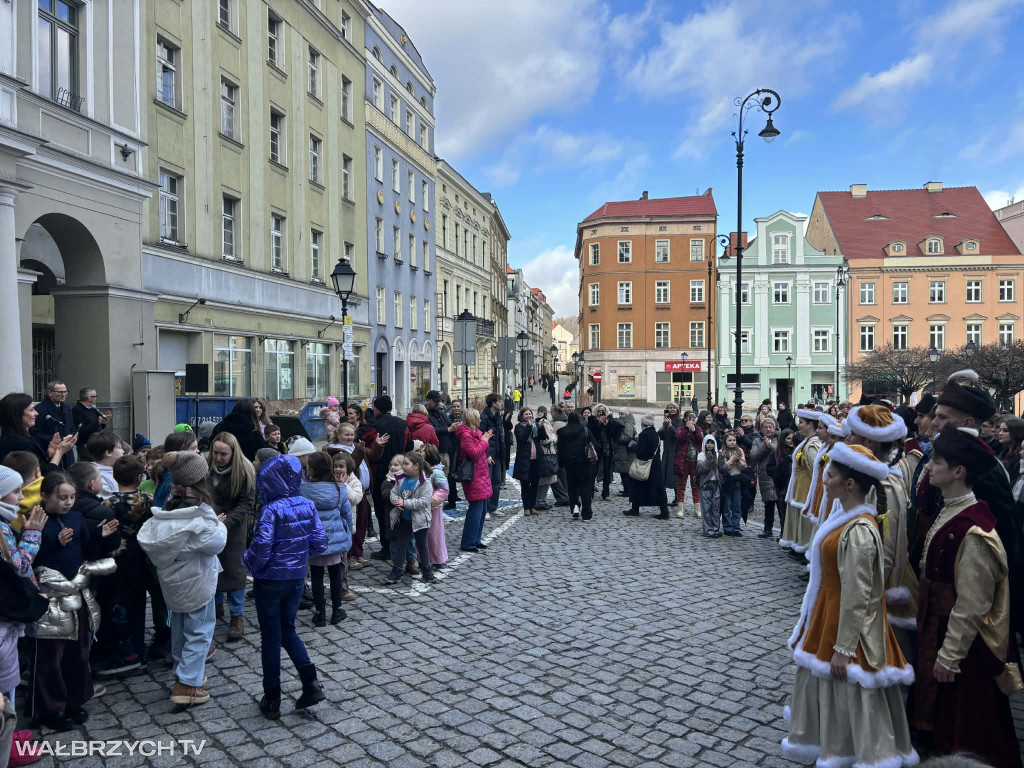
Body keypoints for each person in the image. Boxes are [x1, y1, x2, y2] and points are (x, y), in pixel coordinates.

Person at [782, 443, 917, 768]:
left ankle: (862, 755)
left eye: (831, 474)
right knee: (836, 693)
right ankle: (836, 748)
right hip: (829, 615)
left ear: (850, 484)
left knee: (855, 694)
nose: (824, 479)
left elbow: (859, 594)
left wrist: (844, 647)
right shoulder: (846, 518)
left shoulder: (858, 531)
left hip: (848, 626)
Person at [909, 426, 1023, 766]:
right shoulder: (951, 510)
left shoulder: (973, 529)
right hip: (935, 631)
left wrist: (950, 656)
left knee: (963, 726)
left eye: (938, 461)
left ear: (959, 472)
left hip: (960, 648)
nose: (929, 467)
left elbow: (972, 603)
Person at [28, 471, 119, 729]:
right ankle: (49, 709)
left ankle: (73, 701)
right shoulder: (36, 519)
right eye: (61, 498)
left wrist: (100, 539)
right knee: (49, 655)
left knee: (77, 651)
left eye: (71, 497)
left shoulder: (77, 517)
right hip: (49, 595)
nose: (67, 502)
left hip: (75, 593)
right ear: (45, 497)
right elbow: (30, 558)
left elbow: (84, 551)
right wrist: (54, 543)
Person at [244, 455, 328, 720]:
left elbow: (260, 550)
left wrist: (248, 562)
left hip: (270, 580)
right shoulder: (307, 505)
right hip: (295, 579)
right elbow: (320, 543)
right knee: (288, 629)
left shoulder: (272, 510)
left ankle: (272, 697)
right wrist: (299, 556)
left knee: (270, 636)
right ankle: (311, 683)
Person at [138, 452, 224, 707]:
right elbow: (215, 543)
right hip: (197, 582)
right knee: (199, 631)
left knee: (180, 629)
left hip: (173, 584)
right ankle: (187, 684)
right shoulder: (200, 514)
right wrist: (220, 525)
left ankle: (184, 672)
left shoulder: (167, 508)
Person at [104, 455, 155, 674]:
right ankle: (139, 646)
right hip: (141, 555)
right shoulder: (147, 500)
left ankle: (126, 650)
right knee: (137, 602)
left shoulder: (108, 504)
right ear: (139, 476)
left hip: (118, 558)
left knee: (118, 603)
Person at [207, 433, 256, 643]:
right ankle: (216, 606)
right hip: (209, 524)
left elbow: (247, 503)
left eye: (223, 454)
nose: (218, 458)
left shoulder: (244, 471)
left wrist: (226, 521)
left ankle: (237, 616)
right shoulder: (205, 467)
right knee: (212, 567)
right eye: (215, 453)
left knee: (235, 571)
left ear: (233, 453)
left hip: (233, 527)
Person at [300, 452, 351, 627]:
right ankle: (337, 609)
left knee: (316, 575)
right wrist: (348, 534)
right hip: (334, 538)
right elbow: (346, 513)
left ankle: (320, 613)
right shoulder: (339, 489)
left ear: (312, 469)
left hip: (314, 539)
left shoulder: (303, 490)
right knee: (336, 573)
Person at [365, 396, 410, 563]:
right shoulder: (403, 424)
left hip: (381, 472)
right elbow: (408, 445)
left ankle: (387, 547)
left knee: (383, 511)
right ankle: (403, 547)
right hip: (402, 470)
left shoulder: (375, 425)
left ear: (377, 408)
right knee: (402, 509)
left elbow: (367, 444)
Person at [384, 452, 437, 585]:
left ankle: (427, 573)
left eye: (406, 464)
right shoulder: (401, 479)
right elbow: (394, 493)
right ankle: (396, 572)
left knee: (422, 546)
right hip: (404, 519)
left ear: (416, 466)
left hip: (420, 521)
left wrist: (405, 503)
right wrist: (396, 500)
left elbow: (424, 502)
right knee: (401, 545)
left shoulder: (425, 483)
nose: (404, 466)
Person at [780, 410, 823, 555]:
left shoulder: (812, 446)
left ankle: (806, 551)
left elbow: (816, 473)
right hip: (800, 490)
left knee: (806, 525)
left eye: (802, 422)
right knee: (801, 523)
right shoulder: (807, 442)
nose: (799, 425)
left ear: (811, 425)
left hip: (806, 491)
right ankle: (800, 548)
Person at [0, 393, 76, 474]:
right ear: (17, 414)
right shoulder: (18, 443)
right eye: (31, 410)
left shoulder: (17, 439)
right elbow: (44, 475)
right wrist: (59, 452)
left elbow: (40, 465)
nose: (36, 413)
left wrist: (50, 454)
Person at [456, 409, 493, 552]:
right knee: (475, 510)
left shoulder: (475, 433)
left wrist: (484, 440)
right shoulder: (466, 435)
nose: (480, 421)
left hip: (481, 474)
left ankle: (476, 539)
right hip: (473, 476)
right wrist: (484, 441)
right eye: (478, 418)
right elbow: (474, 453)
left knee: (482, 509)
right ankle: (468, 542)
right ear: (473, 419)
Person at [625, 413, 670, 519]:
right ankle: (664, 510)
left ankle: (635, 509)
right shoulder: (655, 433)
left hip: (645, 464)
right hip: (655, 465)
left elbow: (642, 451)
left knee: (637, 486)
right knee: (658, 489)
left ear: (644, 424)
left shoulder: (644, 435)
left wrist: (632, 447)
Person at [30, 381, 77, 470]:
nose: (63, 394)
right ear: (50, 393)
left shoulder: (67, 408)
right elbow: (36, 435)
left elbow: (71, 426)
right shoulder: (40, 409)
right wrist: (60, 439)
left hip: (68, 452)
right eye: (60, 392)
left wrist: (73, 435)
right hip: (51, 452)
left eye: (65, 392)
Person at [556, 412, 593, 521]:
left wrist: (561, 463)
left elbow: (560, 449)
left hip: (569, 464)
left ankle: (575, 507)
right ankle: (586, 513)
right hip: (584, 463)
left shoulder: (562, 432)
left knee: (572, 487)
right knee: (585, 488)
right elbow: (594, 444)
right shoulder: (585, 430)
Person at [419, 444, 449, 569]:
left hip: (433, 508)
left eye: (421, 452)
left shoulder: (436, 472)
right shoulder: (421, 469)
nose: (418, 453)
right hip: (422, 506)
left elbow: (444, 489)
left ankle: (437, 559)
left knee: (434, 534)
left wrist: (431, 501)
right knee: (422, 533)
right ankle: (422, 558)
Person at [513, 408, 547, 517]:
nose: (529, 416)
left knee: (535, 484)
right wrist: (528, 426)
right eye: (526, 414)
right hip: (524, 459)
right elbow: (522, 438)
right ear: (522, 416)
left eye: (530, 414)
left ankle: (533, 506)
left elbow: (542, 438)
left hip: (536, 458)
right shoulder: (519, 427)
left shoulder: (535, 425)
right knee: (525, 484)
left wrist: (541, 428)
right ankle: (526, 507)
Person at [750, 418, 779, 539]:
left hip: (778, 474)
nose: (768, 429)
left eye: (770, 427)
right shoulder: (757, 441)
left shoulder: (779, 439)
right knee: (768, 502)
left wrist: (770, 446)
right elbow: (753, 457)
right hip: (765, 475)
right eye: (765, 427)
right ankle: (768, 529)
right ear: (761, 429)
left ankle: (784, 531)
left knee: (781, 503)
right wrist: (764, 447)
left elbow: (781, 452)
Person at [673, 412, 703, 520]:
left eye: (694, 418)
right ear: (685, 419)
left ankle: (697, 509)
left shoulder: (698, 429)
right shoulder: (681, 429)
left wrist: (694, 430)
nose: (692, 420)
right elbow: (680, 437)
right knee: (681, 485)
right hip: (683, 461)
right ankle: (680, 509)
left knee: (695, 485)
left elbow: (701, 440)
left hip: (695, 462)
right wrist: (687, 428)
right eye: (689, 418)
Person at [480, 395, 505, 517]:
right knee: (487, 482)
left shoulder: (498, 416)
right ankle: (485, 510)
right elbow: (481, 436)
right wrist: (487, 454)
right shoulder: (484, 417)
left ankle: (493, 508)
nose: (501, 404)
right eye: (499, 402)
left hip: (498, 453)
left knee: (496, 481)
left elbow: (500, 435)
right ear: (493, 404)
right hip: (489, 454)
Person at [718, 432, 747, 536]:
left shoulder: (740, 451)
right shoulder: (722, 452)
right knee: (727, 506)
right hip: (727, 481)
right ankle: (728, 527)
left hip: (737, 481)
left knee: (737, 505)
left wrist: (738, 460)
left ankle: (736, 527)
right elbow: (724, 469)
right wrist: (731, 460)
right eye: (730, 440)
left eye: (734, 440)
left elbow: (744, 466)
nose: (732, 442)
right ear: (725, 441)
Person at [768, 429, 796, 538]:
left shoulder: (797, 451)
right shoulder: (776, 453)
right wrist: (781, 470)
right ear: (783, 440)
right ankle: (783, 533)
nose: (791, 441)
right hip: (782, 486)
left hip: (794, 485)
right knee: (782, 511)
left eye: (792, 438)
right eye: (788, 438)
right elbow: (769, 469)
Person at [71, 388, 109, 461]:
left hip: (96, 443)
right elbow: (80, 430)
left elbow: (98, 427)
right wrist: (97, 423)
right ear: (89, 398)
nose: (96, 398)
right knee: (90, 466)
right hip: (85, 444)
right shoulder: (77, 410)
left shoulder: (92, 408)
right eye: (95, 396)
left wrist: (103, 423)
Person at [695, 435, 721, 537]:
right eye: (708, 443)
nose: (710, 445)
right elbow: (701, 470)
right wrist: (709, 459)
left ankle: (716, 528)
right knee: (706, 508)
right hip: (706, 484)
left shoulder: (718, 455)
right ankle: (708, 529)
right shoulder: (701, 455)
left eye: (712, 443)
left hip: (716, 483)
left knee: (715, 508)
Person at [86, 431, 124, 499]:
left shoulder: (115, 469)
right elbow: (107, 501)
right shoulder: (96, 475)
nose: (123, 451)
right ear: (108, 452)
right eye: (120, 447)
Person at [611, 408, 636, 499]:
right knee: (623, 472)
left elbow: (628, 437)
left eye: (622, 414)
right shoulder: (623, 423)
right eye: (620, 414)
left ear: (627, 414)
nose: (620, 416)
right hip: (622, 452)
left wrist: (616, 437)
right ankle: (627, 489)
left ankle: (628, 491)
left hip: (625, 452)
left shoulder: (627, 424)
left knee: (625, 472)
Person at [443, 400, 463, 510]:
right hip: (452, 448)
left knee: (463, 472)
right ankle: (452, 500)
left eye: (458, 406)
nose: (456, 408)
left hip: (463, 447)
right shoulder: (448, 418)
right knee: (451, 473)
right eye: (454, 406)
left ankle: (456, 496)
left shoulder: (464, 418)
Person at [995, 416, 1024, 487]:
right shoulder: (1003, 452)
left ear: (1017, 432)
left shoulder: (1021, 456)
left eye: (1005, 430)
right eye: (1000, 430)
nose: (1000, 433)